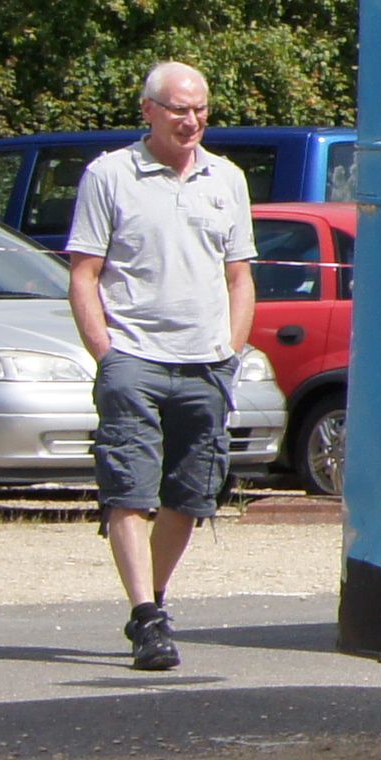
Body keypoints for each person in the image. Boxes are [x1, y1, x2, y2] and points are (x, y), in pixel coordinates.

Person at [65, 61, 255, 672]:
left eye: (200, 109)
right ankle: (148, 617)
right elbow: (84, 274)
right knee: (130, 488)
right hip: (134, 359)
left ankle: (156, 596)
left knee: (191, 494)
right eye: (178, 109)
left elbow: (239, 276)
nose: (191, 120)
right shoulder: (110, 176)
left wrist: (230, 350)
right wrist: (108, 354)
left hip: (205, 364)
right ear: (148, 110)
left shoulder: (226, 179)